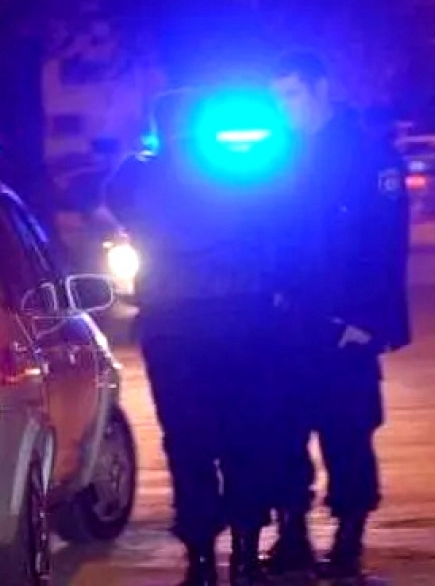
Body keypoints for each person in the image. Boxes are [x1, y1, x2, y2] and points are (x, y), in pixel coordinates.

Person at [105, 89, 291, 586]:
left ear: (158, 128)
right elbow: (279, 219)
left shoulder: (137, 178)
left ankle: (201, 560)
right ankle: (247, 557)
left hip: (174, 327)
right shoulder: (240, 173)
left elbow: (116, 198)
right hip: (243, 321)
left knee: (187, 443)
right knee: (247, 439)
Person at [265, 52, 412, 582]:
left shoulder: (368, 156)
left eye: (293, 95)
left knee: (348, 435)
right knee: (283, 434)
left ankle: (349, 543)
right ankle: (293, 535)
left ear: (321, 89)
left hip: (345, 325)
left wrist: (369, 320)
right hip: (287, 324)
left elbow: (386, 246)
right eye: (278, 98)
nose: (286, 109)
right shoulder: (279, 159)